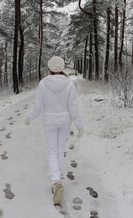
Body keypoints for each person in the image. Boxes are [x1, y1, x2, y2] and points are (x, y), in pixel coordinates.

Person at [25, 56, 83, 205]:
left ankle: (55, 181)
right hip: (65, 121)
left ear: (49, 68)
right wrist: (79, 125)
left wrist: (30, 117)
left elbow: (38, 107)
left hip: (49, 121)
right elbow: (73, 108)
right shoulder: (69, 84)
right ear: (62, 67)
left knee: (52, 151)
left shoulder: (43, 84)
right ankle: (58, 180)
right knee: (60, 150)